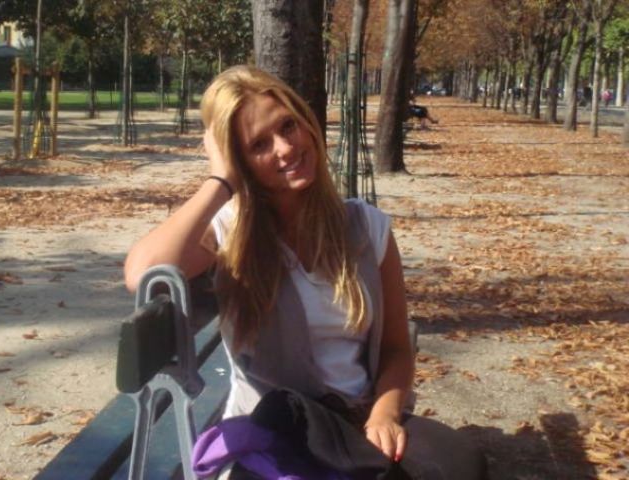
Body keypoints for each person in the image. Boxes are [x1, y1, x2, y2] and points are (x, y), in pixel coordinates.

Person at [124, 65, 485, 479]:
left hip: (359, 422)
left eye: (288, 126)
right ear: (241, 162)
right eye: (259, 144)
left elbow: (396, 348)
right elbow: (143, 273)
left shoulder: (366, 228)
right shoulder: (229, 234)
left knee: (461, 464)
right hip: (276, 430)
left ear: (306, 123)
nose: (285, 148)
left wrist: (384, 415)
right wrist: (221, 179)